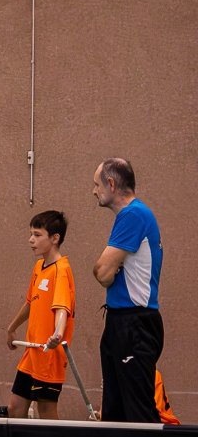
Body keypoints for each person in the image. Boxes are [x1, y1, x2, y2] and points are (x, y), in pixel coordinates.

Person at [92, 158, 164, 422]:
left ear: (111, 184)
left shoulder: (133, 214)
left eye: (97, 185)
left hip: (134, 325)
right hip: (120, 322)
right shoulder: (131, 216)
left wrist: (110, 270)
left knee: (138, 414)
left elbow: (102, 272)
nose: (94, 191)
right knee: (115, 414)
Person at [3, 210, 75, 420]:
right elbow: (30, 302)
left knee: (46, 413)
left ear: (55, 238)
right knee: (15, 408)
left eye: (37, 234)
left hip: (49, 354)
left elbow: (62, 308)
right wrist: (12, 327)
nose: (31, 240)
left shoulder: (61, 270)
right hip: (32, 353)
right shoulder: (38, 267)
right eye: (31, 234)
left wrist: (58, 334)